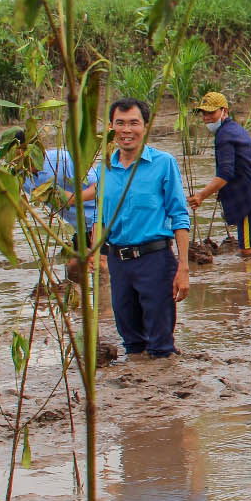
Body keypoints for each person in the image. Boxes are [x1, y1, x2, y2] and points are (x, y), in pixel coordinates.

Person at [80, 98, 192, 359]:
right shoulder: (104, 169)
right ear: (111, 128)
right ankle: (138, 389)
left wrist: (183, 267)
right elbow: (100, 215)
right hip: (119, 262)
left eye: (134, 123)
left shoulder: (163, 164)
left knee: (160, 341)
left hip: (155, 260)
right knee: (130, 337)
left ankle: (164, 390)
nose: (126, 130)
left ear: (146, 126)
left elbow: (179, 216)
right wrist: (95, 251)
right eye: (120, 123)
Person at [187, 91, 251, 256]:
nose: (206, 117)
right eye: (203, 113)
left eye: (211, 113)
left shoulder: (224, 136)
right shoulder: (233, 129)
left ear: (224, 111)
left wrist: (201, 195)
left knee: (247, 253)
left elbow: (225, 174)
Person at [0, 126, 96, 231]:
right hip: (82, 229)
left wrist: (73, 198)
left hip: (103, 223)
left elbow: (100, 186)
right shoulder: (21, 177)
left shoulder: (64, 160)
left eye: (17, 155)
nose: (15, 161)